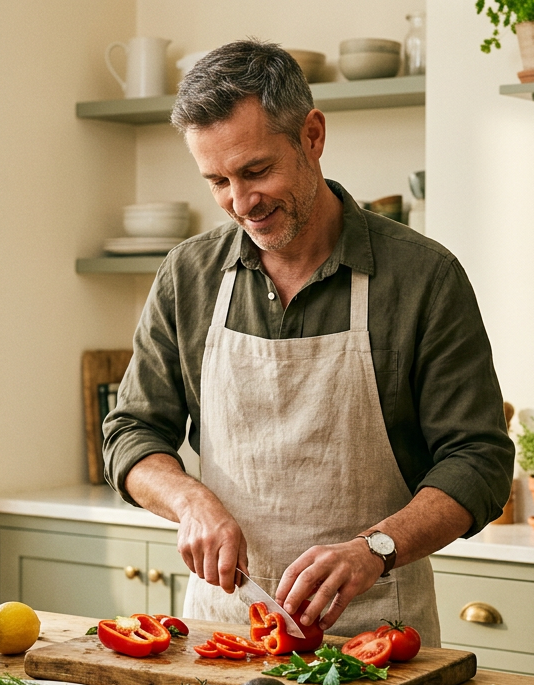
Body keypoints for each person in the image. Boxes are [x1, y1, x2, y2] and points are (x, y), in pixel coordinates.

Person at [102, 40, 512, 647]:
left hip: (377, 639)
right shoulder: (187, 277)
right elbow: (131, 434)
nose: (241, 203)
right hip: (225, 636)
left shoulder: (423, 278)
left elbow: (479, 460)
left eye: (256, 170)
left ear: (312, 136)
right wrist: (188, 500)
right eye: (217, 181)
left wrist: (375, 548)